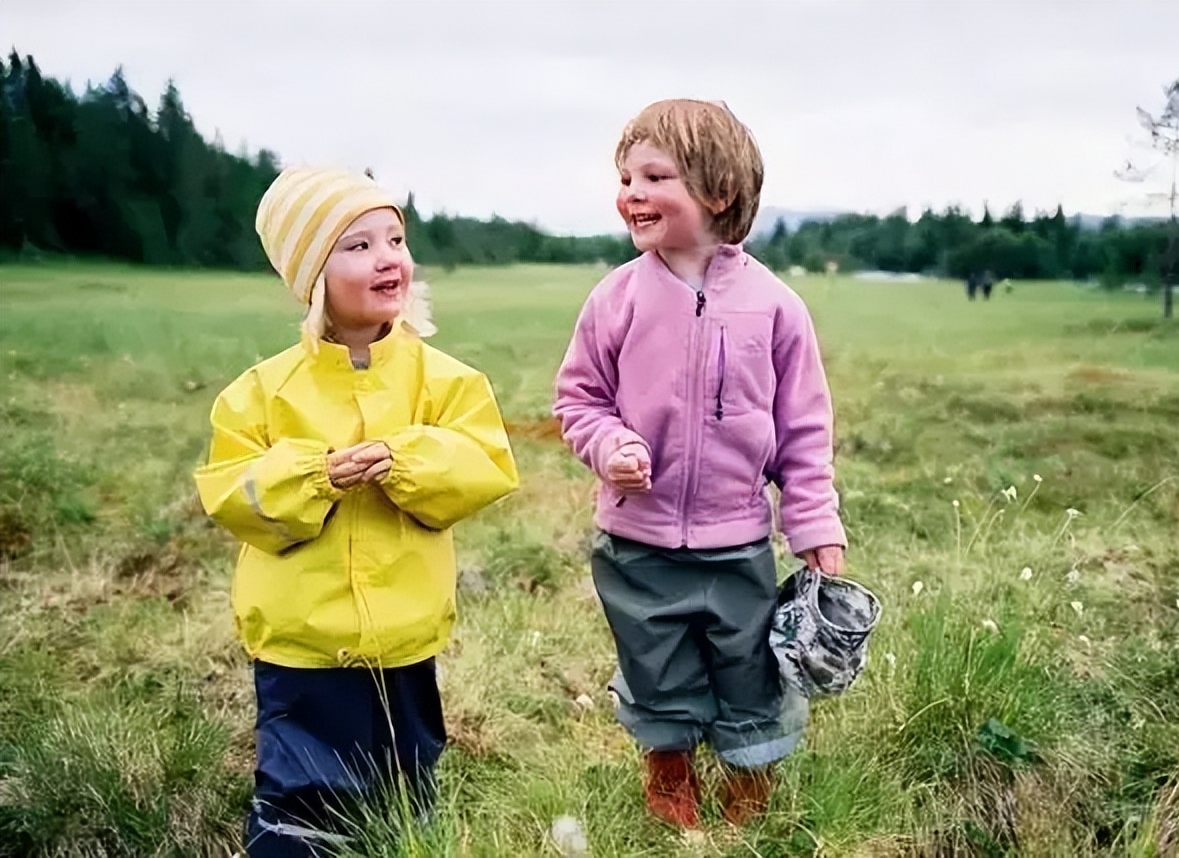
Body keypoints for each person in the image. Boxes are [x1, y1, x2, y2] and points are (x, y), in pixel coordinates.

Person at [194, 165, 519, 857]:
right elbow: (232, 492)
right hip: (301, 642)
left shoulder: (447, 381)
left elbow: (483, 465)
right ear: (313, 275)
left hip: (404, 639)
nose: (387, 258)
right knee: (303, 795)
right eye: (358, 245)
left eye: (395, 240)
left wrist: (407, 461)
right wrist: (312, 476)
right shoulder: (261, 392)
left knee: (403, 786)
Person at [553, 99, 846, 829]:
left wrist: (814, 524)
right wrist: (609, 446)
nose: (632, 193)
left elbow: (803, 430)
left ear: (718, 191)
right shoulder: (615, 298)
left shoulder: (775, 307)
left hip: (737, 541)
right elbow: (579, 400)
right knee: (654, 661)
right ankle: (669, 766)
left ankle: (750, 775)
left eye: (655, 177)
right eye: (626, 178)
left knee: (748, 664)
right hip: (637, 541)